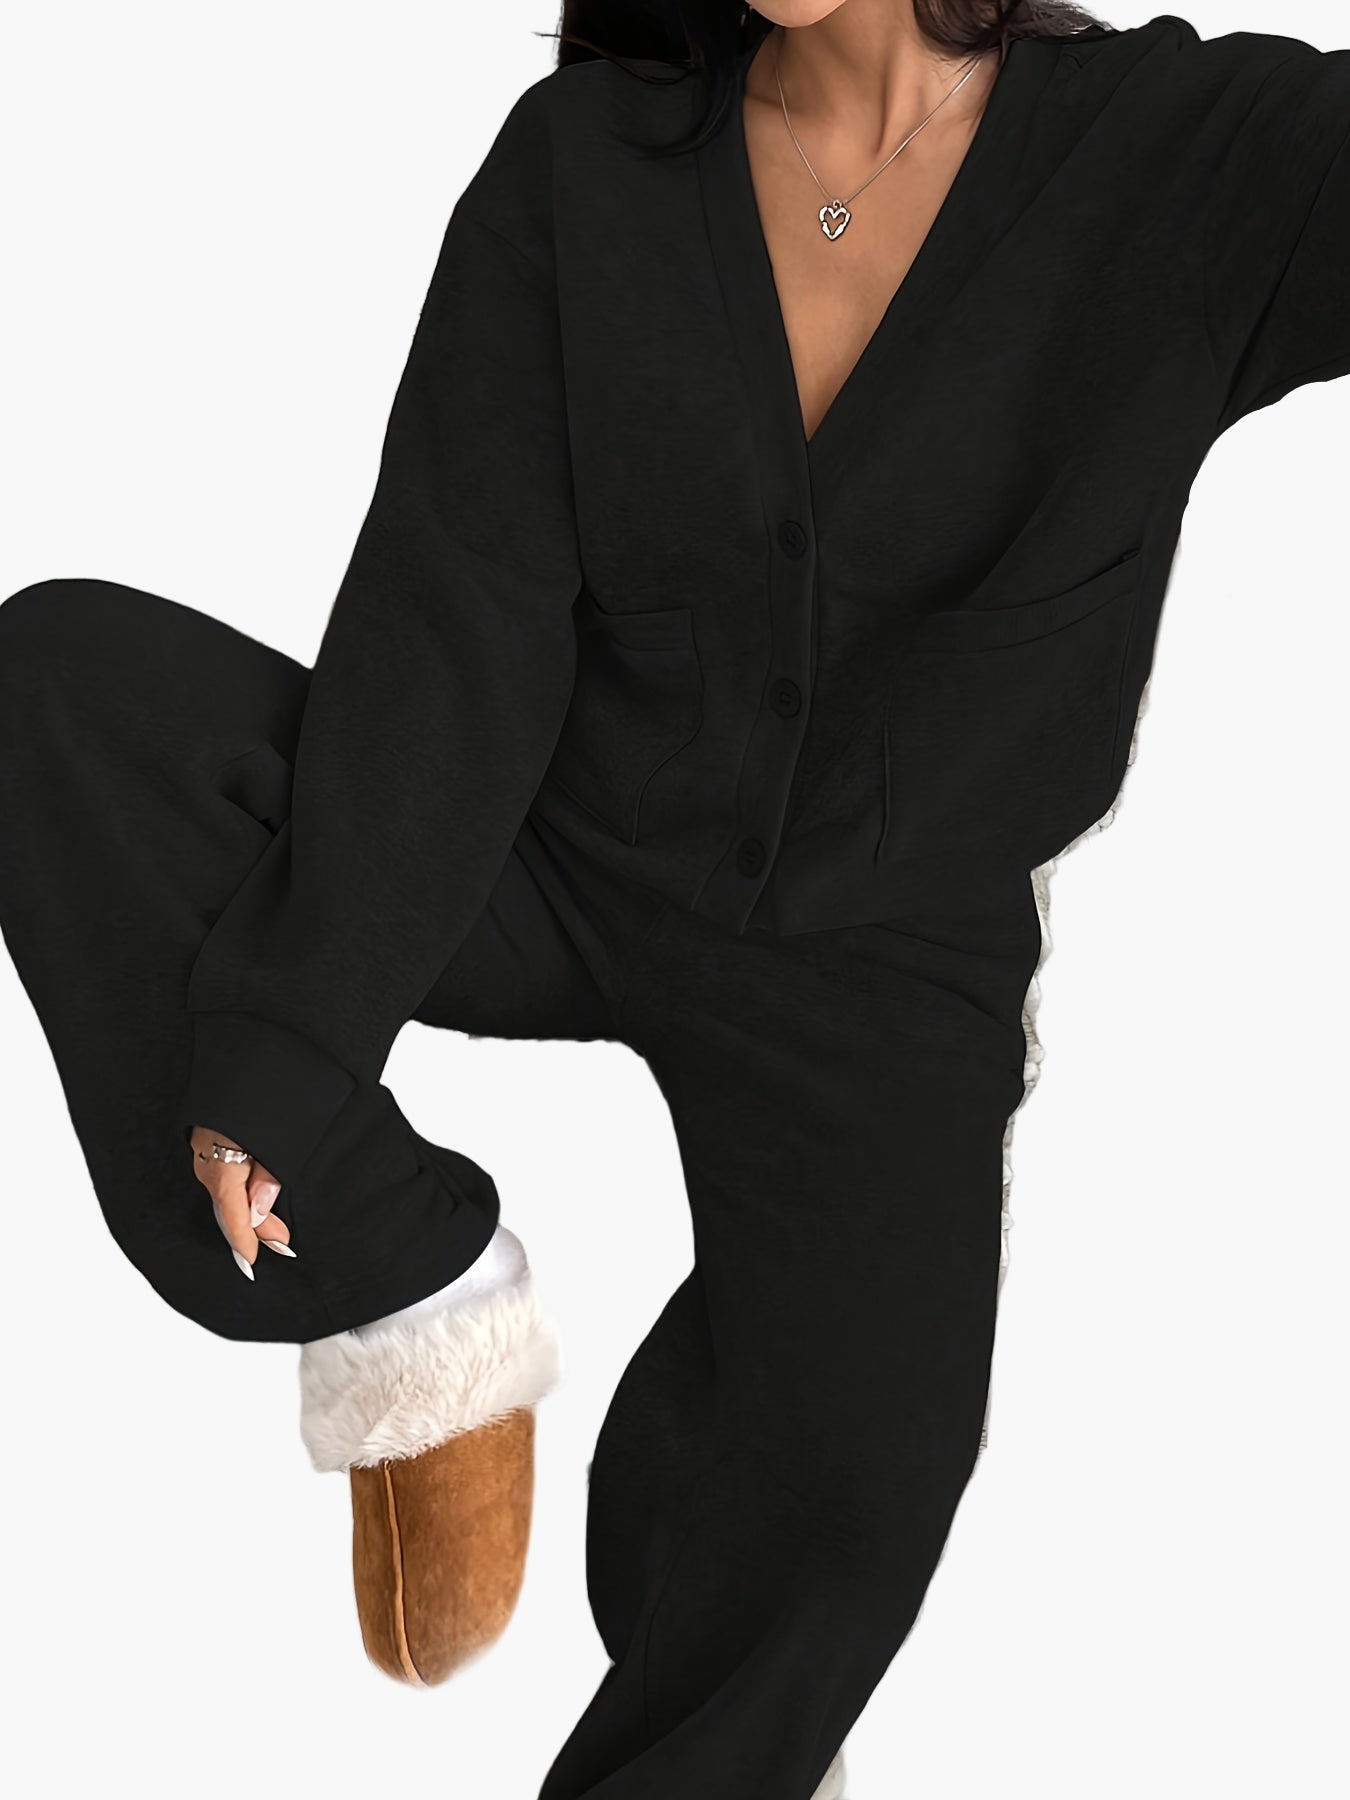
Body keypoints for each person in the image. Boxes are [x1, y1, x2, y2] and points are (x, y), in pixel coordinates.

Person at [1, 3, 1346, 1796]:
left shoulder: (1185, 153)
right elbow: (453, 614)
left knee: (843, 1501)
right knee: (62, 691)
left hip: (881, 950)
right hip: (552, 839)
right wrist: (299, 1032)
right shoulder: (585, 166)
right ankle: (419, 1288)